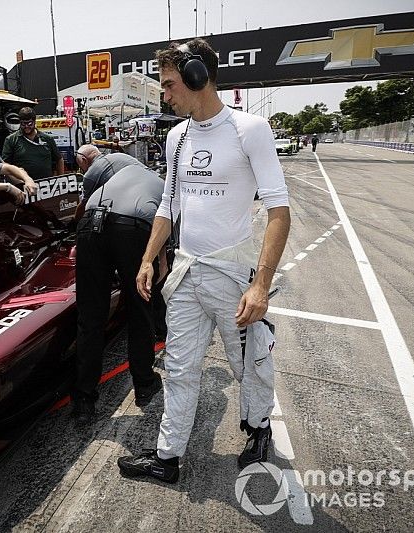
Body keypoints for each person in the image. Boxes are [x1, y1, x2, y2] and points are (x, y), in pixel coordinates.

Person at [117, 38, 290, 483]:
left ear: (198, 76)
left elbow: (278, 212)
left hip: (233, 275)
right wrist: (147, 259)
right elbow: (168, 206)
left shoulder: (249, 129)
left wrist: (260, 285)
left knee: (248, 362)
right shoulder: (177, 136)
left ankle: (258, 428)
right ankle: (166, 457)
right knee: (179, 366)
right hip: (186, 273)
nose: (165, 95)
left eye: (170, 85)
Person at [71, 165, 167, 424]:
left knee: (90, 317)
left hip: (91, 224)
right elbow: (165, 238)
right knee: (140, 309)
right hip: (134, 227)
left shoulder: (111, 175)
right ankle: (145, 384)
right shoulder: (164, 186)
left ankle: (83, 402)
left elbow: (81, 211)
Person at [1, 107, 64, 180]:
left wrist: (60, 179)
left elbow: (59, 159)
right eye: (23, 124)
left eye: (29, 123)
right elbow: (5, 165)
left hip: (46, 185)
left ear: (35, 122)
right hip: (22, 185)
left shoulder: (47, 139)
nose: (26, 126)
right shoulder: (11, 140)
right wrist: (18, 183)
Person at [75, 144, 143, 201]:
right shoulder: (119, 155)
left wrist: (76, 217)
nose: (83, 171)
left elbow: (84, 204)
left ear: (84, 160)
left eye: (81, 167)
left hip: (136, 200)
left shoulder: (91, 173)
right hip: (149, 185)